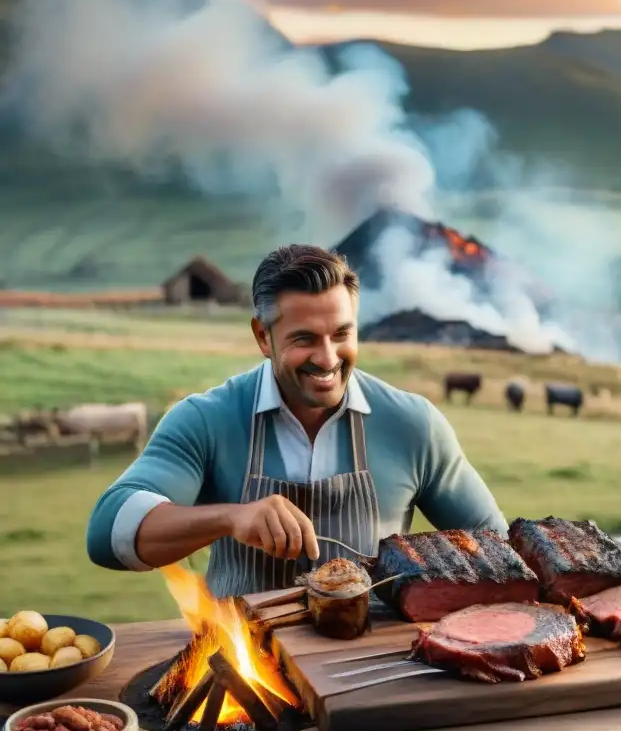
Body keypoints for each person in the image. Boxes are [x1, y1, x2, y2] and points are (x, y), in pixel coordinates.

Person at [85, 244, 508, 598]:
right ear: (262, 337)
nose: (327, 359)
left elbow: (498, 550)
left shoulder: (413, 423)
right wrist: (231, 518)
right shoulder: (205, 419)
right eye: (304, 339)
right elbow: (108, 533)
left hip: (375, 678)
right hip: (245, 680)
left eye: (341, 335)